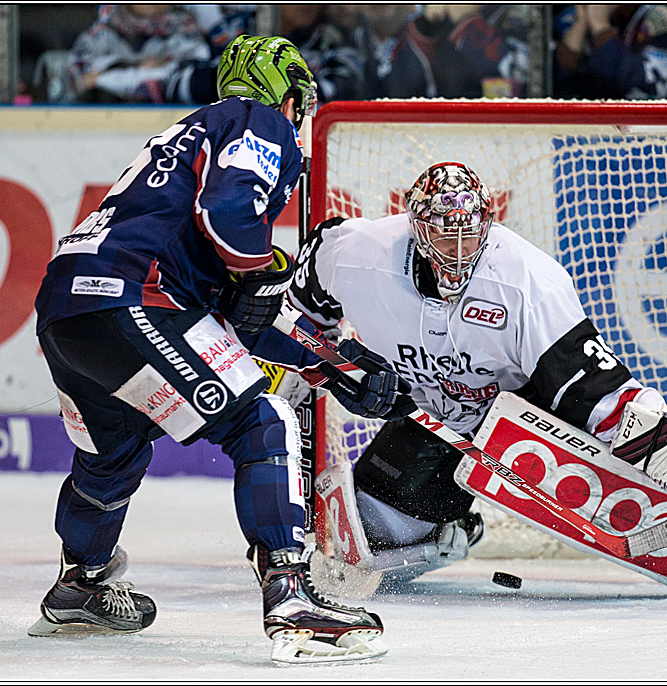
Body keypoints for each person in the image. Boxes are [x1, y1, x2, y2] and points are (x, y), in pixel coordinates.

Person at [29, 35, 408, 664]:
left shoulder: (186, 136)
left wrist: (331, 362)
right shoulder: (257, 122)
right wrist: (263, 270)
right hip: (134, 298)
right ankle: (290, 597)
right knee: (263, 424)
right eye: (299, 101)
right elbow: (230, 211)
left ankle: (81, 583)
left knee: (113, 454)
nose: (299, 114)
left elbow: (235, 316)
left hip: (67, 311)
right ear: (284, 94)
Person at [288, 162, 667, 595]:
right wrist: (332, 366)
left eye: (470, 229)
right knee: (367, 535)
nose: (458, 247)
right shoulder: (355, 253)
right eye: (443, 232)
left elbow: (589, 385)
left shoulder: (524, 278)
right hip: (434, 422)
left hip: (529, 413)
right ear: (416, 228)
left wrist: (651, 434)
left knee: (612, 433)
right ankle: (449, 530)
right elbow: (298, 315)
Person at [67, 5, 211, 103]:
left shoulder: (182, 25)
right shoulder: (105, 30)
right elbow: (79, 78)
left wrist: (104, 77)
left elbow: (192, 73)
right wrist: (137, 66)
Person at [377, 5, 526, 99]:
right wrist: (426, 27)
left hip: (505, 135)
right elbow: (392, 91)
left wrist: (466, 23)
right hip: (441, 138)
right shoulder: (431, 13)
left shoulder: (521, 12)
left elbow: (523, 77)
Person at [553, 4, 667, 100]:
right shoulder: (575, 13)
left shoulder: (660, 15)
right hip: (589, 124)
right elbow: (553, 81)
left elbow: (643, 86)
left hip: (640, 128)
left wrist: (600, 26)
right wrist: (581, 22)